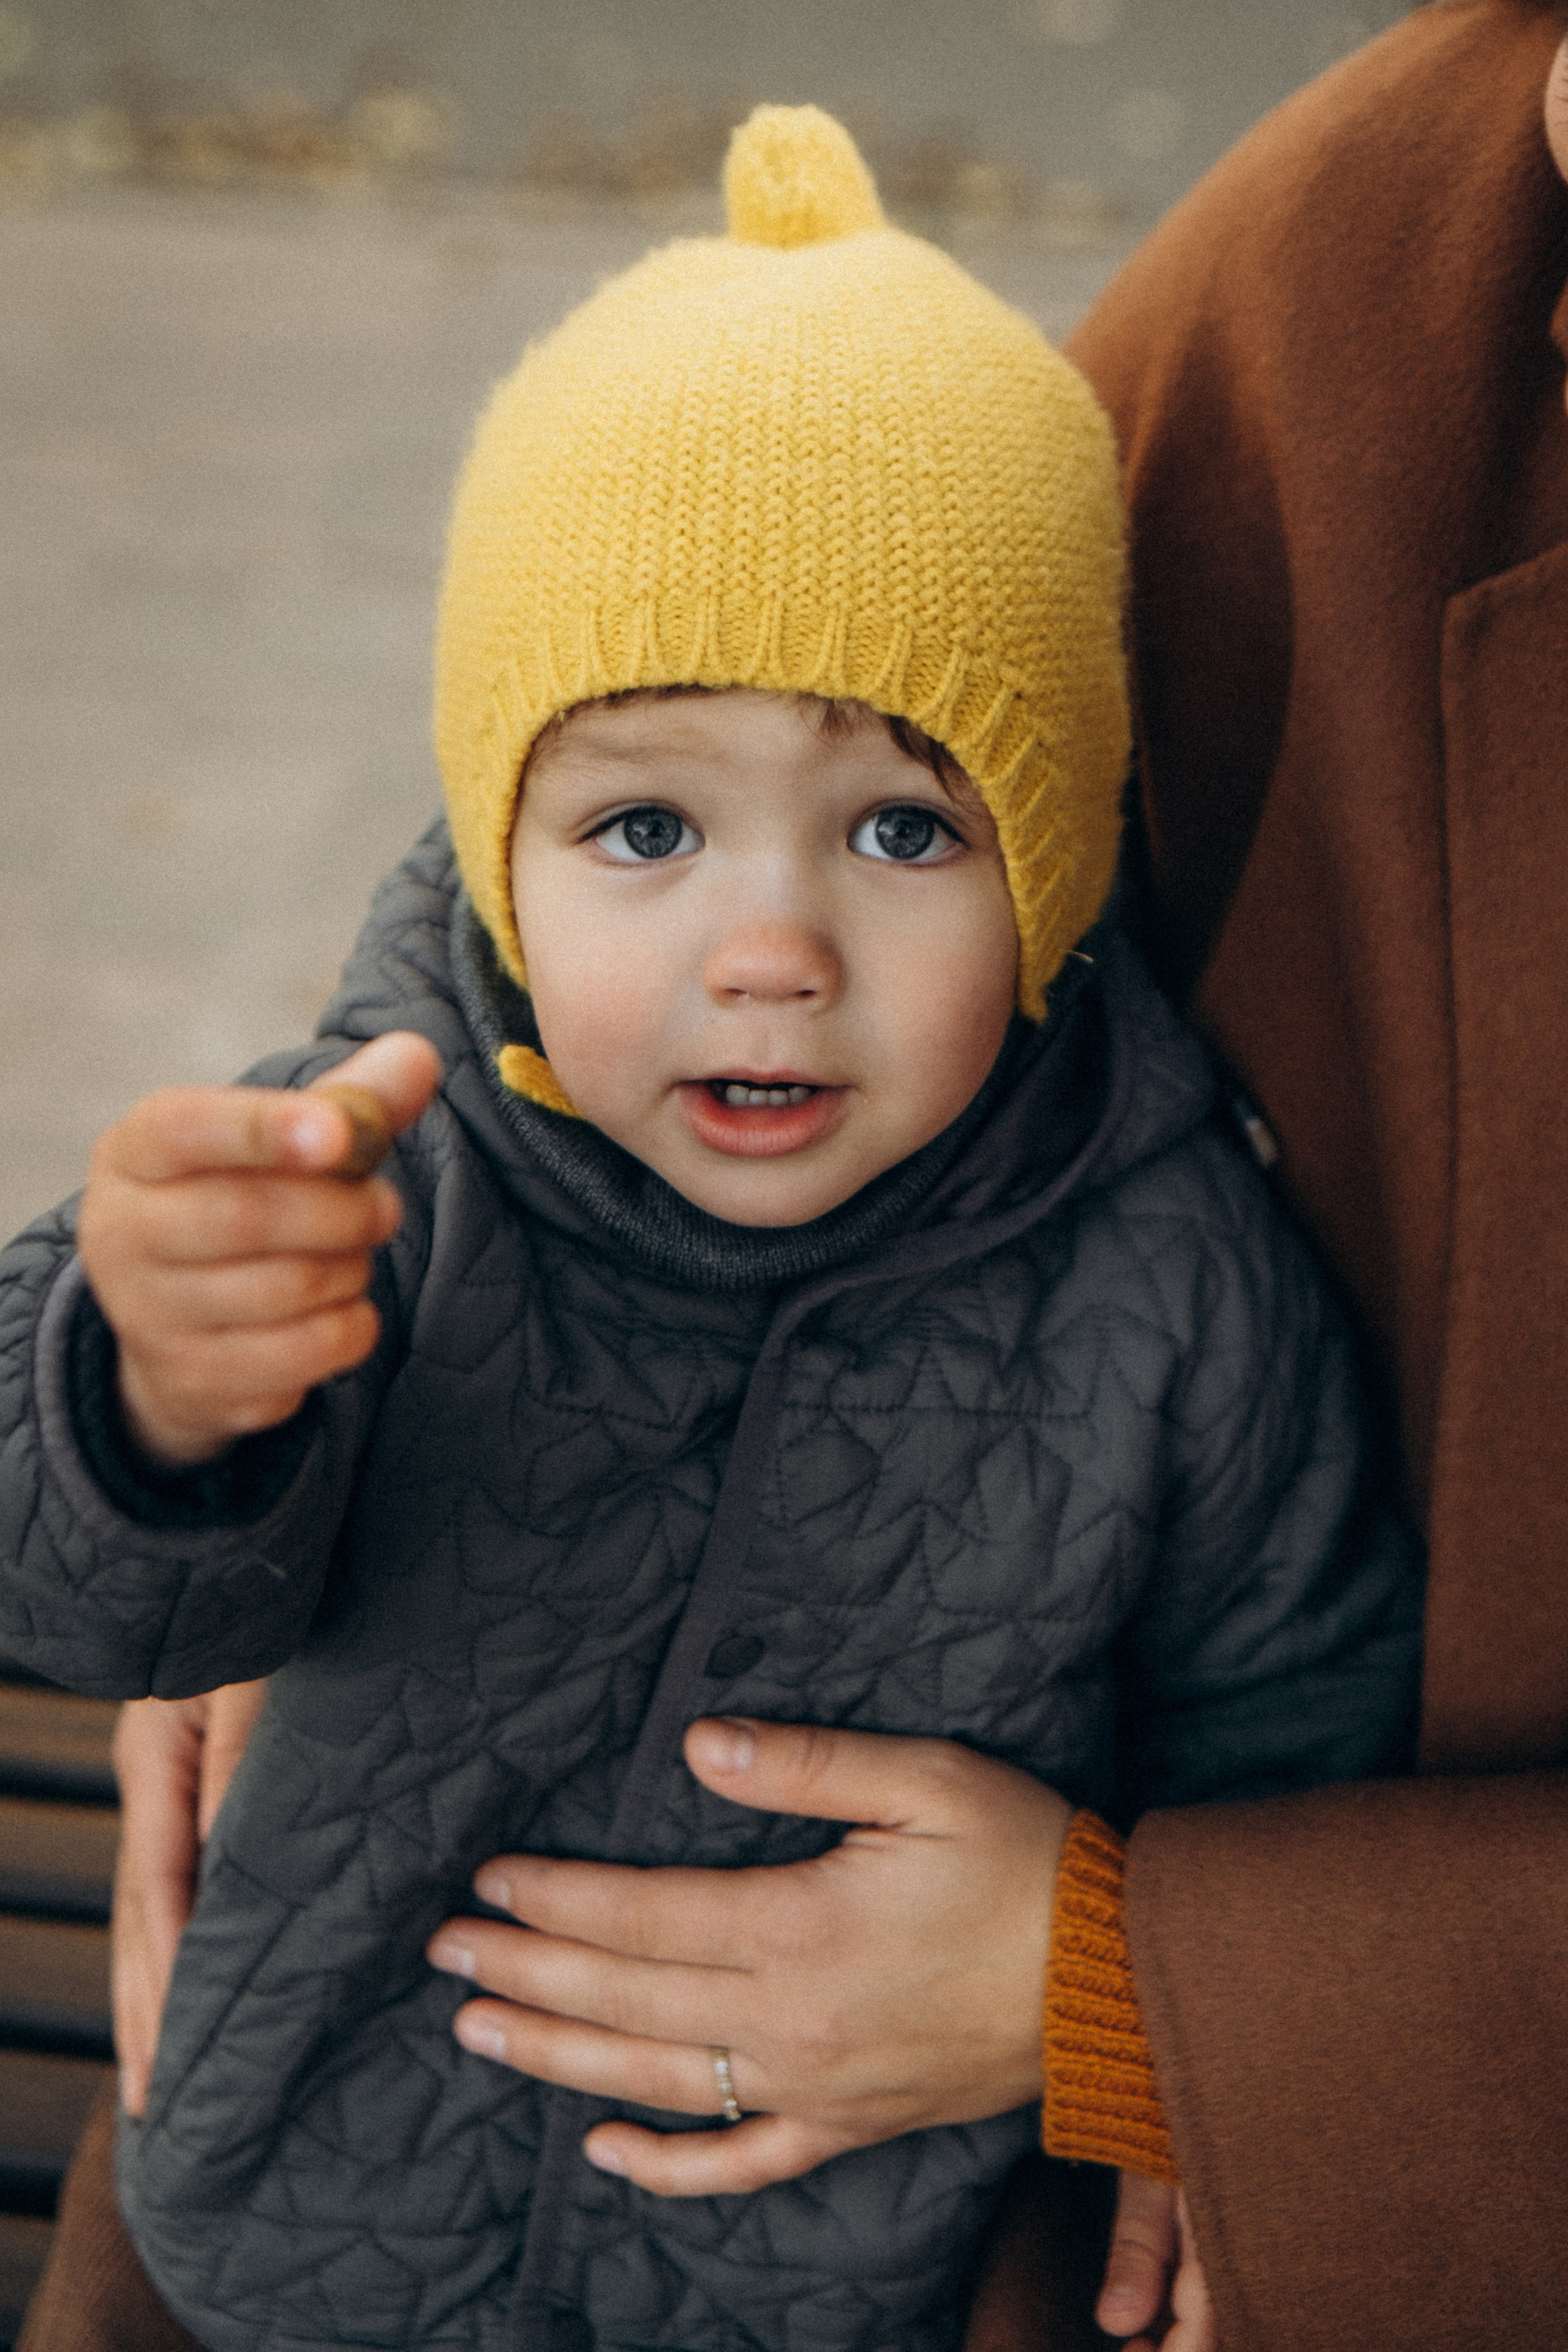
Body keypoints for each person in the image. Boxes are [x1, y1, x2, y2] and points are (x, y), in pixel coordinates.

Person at [0, 103, 1421, 2352]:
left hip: (829, 2274)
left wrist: (1194, 2056)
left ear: (1058, 878)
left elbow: (1291, 1699)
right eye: (647, 826)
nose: (772, 951)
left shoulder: (1177, 1278)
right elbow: (81, 1594)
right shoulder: (382, 1175)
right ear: (499, 854)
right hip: (276, 2227)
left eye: (903, 831)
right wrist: (151, 1389)